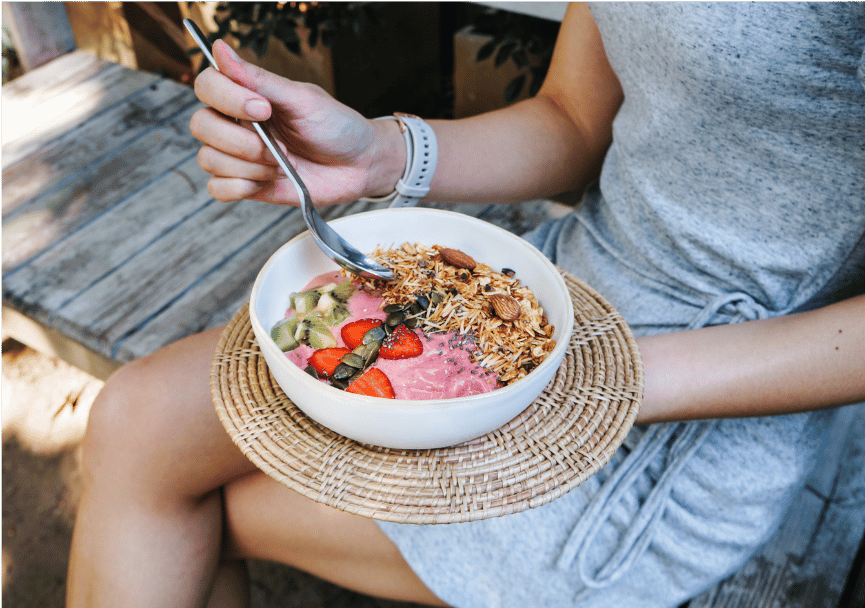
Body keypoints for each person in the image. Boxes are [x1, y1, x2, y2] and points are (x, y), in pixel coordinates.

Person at [66, 3, 865, 607]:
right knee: (135, 419)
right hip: (556, 295)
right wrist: (378, 154)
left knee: (178, 512)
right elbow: (575, 118)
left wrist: (597, 380)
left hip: (691, 412)